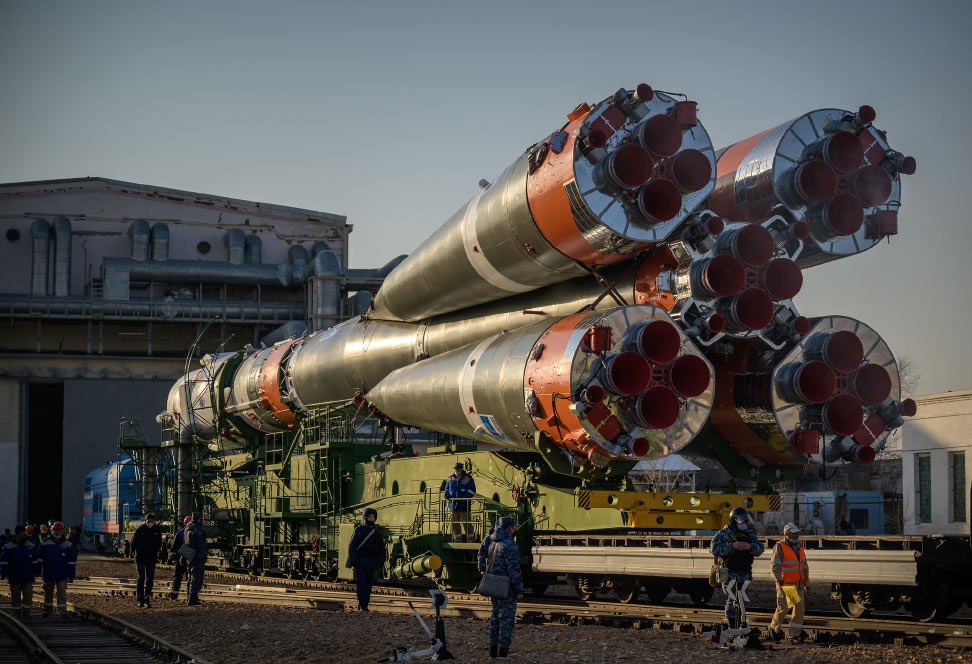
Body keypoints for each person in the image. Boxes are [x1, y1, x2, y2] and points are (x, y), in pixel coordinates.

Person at [709, 507, 765, 631]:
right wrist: (732, 546)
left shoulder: (749, 535)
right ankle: (731, 624)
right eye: (741, 522)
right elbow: (714, 549)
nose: (744, 524)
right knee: (732, 597)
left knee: (742, 599)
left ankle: (740, 624)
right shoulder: (724, 534)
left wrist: (749, 546)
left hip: (744, 572)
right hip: (729, 572)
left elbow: (760, 549)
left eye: (745, 522)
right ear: (734, 521)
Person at [477, 516, 523, 659]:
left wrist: (482, 568)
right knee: (506, 621)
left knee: (495, 620)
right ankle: (503, 653)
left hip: (493, 586)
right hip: (506, 588)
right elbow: (514, 570)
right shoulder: (510, 545)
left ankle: (493, 652)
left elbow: (481, 553)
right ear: (510, 528)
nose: (514, 530)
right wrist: (519, 590)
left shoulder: (491, 540)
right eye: (513, 527)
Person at [768, 522, 809, 642]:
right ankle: (773, 628)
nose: (797, 536)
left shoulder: (800, 547)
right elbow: (775, 565)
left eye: (797, 534)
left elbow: (805, 566)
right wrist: (779, 579)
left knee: (799, 610)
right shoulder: (780, 546)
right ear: (786, 534)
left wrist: (807, 582)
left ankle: (794, 635)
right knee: (784, 608)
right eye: (794, 534)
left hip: (798, 584)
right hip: (785, 584)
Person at [346, 507, 386, 611]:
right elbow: (352, 546)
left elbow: (381, 548)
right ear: (365, 517)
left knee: (368, 585)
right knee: (361, 584)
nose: (371, 519)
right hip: (361, 561)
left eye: (373, 517)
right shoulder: (359, 530)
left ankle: (365, 604)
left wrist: (382, 559)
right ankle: (361, 604)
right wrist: (354, 560)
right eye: (370, 517)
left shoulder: (377, 533)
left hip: (371, 562)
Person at [1, 525, 39, 617]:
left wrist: (37, 571)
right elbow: (3, 561)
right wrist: (3, 573)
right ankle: (16, 613)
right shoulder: (8, 546)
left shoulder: (30, 545)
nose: (25, 533)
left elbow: (34, 560)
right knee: (15, 596)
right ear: (19, 533)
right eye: (23, 532)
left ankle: (26, 612)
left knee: (28, 595)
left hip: (27, 575)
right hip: (14, 575)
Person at [38, 522, 75, 616]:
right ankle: (47, 610)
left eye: (59, 530)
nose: (57, 532)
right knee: (48, 592)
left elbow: (71, 562)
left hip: (62, 573)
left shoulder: (68, 544)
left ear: (62, 531)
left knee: (62, 592)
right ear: (51, 531)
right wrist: (37, 571)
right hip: (48, 573)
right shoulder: (45, 543)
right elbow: (39, 558)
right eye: (55, 530)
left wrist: (71, 575)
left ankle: (62, 611)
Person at [131, 513, 163, 608]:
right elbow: (133, 543)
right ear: (145, 521)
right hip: (140, 558)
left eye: (152, 521)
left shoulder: (157, 530)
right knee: (141, 578)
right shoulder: (140, 530)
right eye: (148, 521)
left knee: (150, 579)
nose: (150, 523)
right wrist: (134, 554)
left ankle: (147, 598)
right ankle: (140, 599)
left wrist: (156, 552)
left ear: (155, 521)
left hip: (151, 558)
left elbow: (159, 544)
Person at [445, 462, 476, 542]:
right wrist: (446, 494)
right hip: (453, 505)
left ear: (462, 469)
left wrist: (464, 499)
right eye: (455, 468)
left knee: (466, 522)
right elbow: (447, 489)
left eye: (458, 468)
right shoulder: (450, 478)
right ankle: (457, 539)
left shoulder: (468, 478)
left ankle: (470, 539)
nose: (456, 470)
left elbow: (471, 490)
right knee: (455, 523)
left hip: (464, 505)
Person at [185, 512, 207, 606]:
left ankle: (190, 597)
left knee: (190, 577)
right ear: (199, 518)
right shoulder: (197, 528)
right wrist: (203, 554)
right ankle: (192, 598)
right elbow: (201, 544)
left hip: (189, 555)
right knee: (196, 577)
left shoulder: (188, 527)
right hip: (197, 556)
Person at [168, 516, 192, 601]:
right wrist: (174, 558)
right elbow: (174, 547)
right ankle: (174, 596)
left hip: (189, 560)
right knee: (177, 578)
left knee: (190, 578)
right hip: (180, 560)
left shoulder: (192, 533)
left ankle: (189, 596)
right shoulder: (180, 534)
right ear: (185, 523)